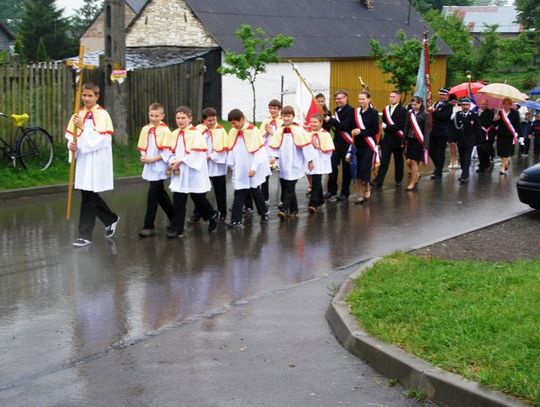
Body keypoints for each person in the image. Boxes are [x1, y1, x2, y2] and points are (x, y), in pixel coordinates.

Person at [65, 82, 119, 247]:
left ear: (97, 97)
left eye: (90, 95)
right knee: (88, 194)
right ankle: (110, 218)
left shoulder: (103, 115)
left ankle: (84, 235)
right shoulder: (78, 113)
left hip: (96, 158)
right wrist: (72, 146)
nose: (86, 98)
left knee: (88, 196)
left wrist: (83, 128)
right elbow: (71, 136)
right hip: (83, 159)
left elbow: (101, 139)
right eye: (84, 95)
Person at [163, 106, 219, 238]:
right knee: (179, 198)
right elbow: (170, 151)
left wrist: (181, 161)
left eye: (183, 118)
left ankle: (212, 214)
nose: (180, 121)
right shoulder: (174, 133)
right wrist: (172, 160)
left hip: (193, 171)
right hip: (180, 171)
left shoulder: (195, 134)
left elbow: (197, 154)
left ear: (190, 119)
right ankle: (177, 228)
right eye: (178, 118)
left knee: (198, 197)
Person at [269, 105, 315, 220]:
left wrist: (310, 160)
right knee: (286, 186)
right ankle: (294, 209)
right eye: (284, 116)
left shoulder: (299, 130)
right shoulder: (279, 131)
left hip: (295, 163)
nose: (286, 118)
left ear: (293, 116)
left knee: (289, 187)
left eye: (288, 116)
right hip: (284, 164)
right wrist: (274, 157)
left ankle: (284, 209)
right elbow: (275, 147)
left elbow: (306, 146)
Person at [226, 108, 270, 228]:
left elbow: (259, 151)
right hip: (240, 167)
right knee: (239, 192)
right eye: (231, 123)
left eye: (235, 122)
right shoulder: (233, 131)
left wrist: (254, 167)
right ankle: (236, 220)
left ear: (242, 119)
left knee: (255, 191)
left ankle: (264, 212)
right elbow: (232, 149)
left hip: (251, 166)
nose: (233, 125)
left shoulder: (253, 131)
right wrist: (231, 164)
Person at [137, 102, 174, 237]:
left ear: (162, 116)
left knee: (152, 195)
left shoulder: (165, 131)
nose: (153, 118)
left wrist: (152, 160)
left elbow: (166, 152)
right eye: (151, 115)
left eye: (156, 116)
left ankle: (148, 225)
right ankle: (174, 217)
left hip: (159, 166)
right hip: (149, 165)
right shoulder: (145, 129)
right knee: (160, 195)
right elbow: (143, 147)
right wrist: (144, 157)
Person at [194, 107, 228, 220]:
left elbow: (223, 149)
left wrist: (210, 156)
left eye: (214, 120)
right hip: (203, 166)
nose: (212, 122)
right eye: (209, 120)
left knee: (220, 191)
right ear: (203, 120)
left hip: (217, 166)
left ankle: (223, 212)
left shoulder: (221, 130)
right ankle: (197, 213)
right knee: (200, 191)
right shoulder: (198, 130)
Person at [372, 90, 407, 188]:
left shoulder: (403, 111)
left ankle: (399, 179)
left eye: (394, 97)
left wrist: (386, 126)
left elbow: (400, 126)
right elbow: (382, 123)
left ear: (399, 98)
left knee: (398, 160)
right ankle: (379, 181)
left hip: (398, 139)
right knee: (384, 160)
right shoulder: (386, 109)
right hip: (387, 139)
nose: (391, 98)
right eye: (390, 97)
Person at [324, 90, 355, 201]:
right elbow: (335, 127)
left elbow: (344, 126)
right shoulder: (336, 110)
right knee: (331, 166)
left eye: (340, 98)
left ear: (346, 98)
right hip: (336, 143)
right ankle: (331, 190)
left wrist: (332, 120)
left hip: (347, 144)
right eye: (336, 99)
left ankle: (345, 193)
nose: (337, 101)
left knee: (346, 170)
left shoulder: (351, 111)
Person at [350, 92, 379, 204]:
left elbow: (375, 130)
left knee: (364, 169)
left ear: (369, 100)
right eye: (359, 99)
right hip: (357, 145)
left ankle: (367, 186)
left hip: (368, 144)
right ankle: (360, 194)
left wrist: (361, 131)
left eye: (363, 99)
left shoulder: (373, 113)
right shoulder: (356, 112)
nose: (361, 101)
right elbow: (351, 125)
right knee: (357, 169)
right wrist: (353, 130)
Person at [306, 114, 334, 213]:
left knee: (316, 181)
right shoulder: (307, 133)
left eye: (315, 122)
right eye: (311, 122)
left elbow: (329, 149)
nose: (312, 124)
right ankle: (320, 200)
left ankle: (313, 203)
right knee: (314, 180)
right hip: (310, 160)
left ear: (321, 122)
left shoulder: (325, 134)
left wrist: (317, 146)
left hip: (320, 160)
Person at [403, 96, 430, 191]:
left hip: (419, 141)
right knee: (408, 161)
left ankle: (412, 183)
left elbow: (426, 130)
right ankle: (416, 174)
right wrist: (403, 140)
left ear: (420, 104)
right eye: (412, 104)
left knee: (414, 162)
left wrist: (426, 144)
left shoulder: (425, 114)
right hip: (410, 140)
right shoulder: (409, 113)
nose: (413, 106)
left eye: (415, 104)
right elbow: (406, 127)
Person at [258, 99, 283, 203]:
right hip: (267, 150)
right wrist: (266, 133)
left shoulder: (282, 121)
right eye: (271, 108)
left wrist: (272, 132)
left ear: (279, 109)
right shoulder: (265, 121)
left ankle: (284, 200)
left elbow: (281, 137)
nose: (273, 110)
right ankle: (265, 198)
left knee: (283, 176)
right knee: (265, 175)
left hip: (279, 151)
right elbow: (260, 137)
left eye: (275, 108)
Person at [453, 97, 481, 184]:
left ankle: (464, 176)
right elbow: (455, 128)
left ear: (469, 106)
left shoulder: (474, 115)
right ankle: (464, 172)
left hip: (470, 140)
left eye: (467, 105)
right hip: (460, 140)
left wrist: (479, 140)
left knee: (467, 158)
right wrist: (452, 138)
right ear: (461, 106)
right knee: (461, 158)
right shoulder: (457, 114)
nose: (465, 106)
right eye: (463, 105)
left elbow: (477, 128)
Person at [428, 88, 452, 179]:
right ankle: (438, 167)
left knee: (440, 152)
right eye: (440, 94)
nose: (441, 96)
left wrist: (434, 111)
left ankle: (438, 172)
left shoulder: (448, 106)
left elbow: (444, 117)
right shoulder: (436, 103)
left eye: (443, 95)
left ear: (447, 96)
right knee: (431, 150)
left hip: (442, 132)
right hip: (433, 131)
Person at [493, 98, 521, 175]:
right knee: (500, 152)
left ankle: (503, 168)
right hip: (500, 134)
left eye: (508, 104)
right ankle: (506, 161)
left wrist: (519, 135)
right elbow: (495, 125)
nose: (506, 105)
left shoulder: (515, 113)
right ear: (503, 104)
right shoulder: (500, 113)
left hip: (509, 135)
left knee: (506, 152)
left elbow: (517, 124)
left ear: (510, 105)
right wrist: (495, 120)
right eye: (505, 104)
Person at [474, 98, 495, 173]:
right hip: (478, 134)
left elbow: (488, 122)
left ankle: (486, 163)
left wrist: (479, 121)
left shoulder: (490, 112)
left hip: (487, 134)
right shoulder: (476, 111)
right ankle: (482, 164)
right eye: (481, 104)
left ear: (487, 105)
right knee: (479, 150)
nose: (482, 106)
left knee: (485, 149)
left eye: (484, 104)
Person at [447, 94, 460, 170]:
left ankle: (456, 160)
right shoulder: (448, 107)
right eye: (451, 101)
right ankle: (451, 160)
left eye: (454, 100)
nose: (453, 102)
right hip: (449, 127)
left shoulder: (458, 107)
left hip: (456, 128)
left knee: (455, 144)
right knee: (450, 144)